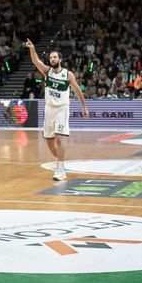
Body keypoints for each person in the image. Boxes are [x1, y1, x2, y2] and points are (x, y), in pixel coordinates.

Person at [26, 39, 89, 181]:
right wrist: (32, 48)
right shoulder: (47, 72)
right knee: (49, 141)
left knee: (60, 139)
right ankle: (61, 161)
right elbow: (36, 62)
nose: (52, 59)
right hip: (49, 109)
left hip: (62, 109)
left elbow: (78, 91)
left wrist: (84, 107)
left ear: (60, 59)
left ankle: (60, 170)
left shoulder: (68, 75)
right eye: (51, 57)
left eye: (55, 57)